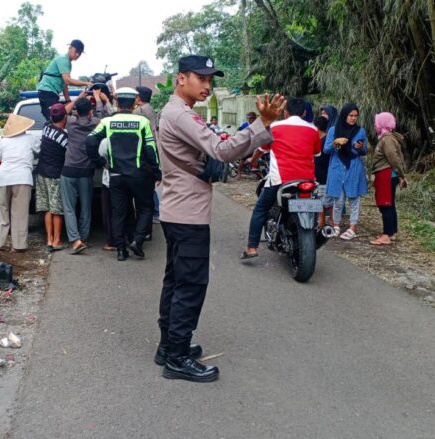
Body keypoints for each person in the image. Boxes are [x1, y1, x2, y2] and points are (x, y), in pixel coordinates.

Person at [156, 54, 284, 382]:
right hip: (188, 214)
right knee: (191, 284)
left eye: (210, 79)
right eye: (201, 78)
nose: (208, 85)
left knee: (176, 280)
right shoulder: (180, 114)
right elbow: (222, 150)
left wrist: (257, 133)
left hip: (178, 210)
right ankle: (177, 357)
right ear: (181, 78)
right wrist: (262, 123)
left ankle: (168, 346)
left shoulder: (177, 112)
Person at [242, 98, 323, 259]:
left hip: (280, 180)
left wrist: (253, 160)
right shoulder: (313, 130)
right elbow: (316, 153)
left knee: (260, 209)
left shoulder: (275, 127)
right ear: (304, 113)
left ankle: (251, 247)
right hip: (306, 180)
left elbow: (261, 149)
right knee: (315, 204)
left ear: (285, 112)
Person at [86, 87, 161, 262]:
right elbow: (151, 149)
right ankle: (137, 241)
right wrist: (157, 172)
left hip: (116, 175)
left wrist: (98, 160)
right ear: (135, 101)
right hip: (139, 175)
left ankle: (120, 250)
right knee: (145, 208)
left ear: (117, 102)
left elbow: (90, 140)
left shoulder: (108, 122)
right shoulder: (142, 122)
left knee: (118, 212)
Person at [60, 90, 109, 255]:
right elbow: (101, 112)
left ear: (76, 111)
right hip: (86, 171)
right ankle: (84, 237)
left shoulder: (71, 123)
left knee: (69, 207)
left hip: (68, 170)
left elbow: (63, 111)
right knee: (86, 207)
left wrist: (79, 97)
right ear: (90, 111)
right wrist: (97, 97)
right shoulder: (95, 122)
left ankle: (75, 240)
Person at [0, 114, 40, 252]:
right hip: (22, 178)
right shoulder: (31, 139)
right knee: (19, 212)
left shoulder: (3, 141)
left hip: (4, 178)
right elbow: (39, 151)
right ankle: (18, 245)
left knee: (2, 210)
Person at [324, 103, 368, 240]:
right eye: (351, 115)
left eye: (356, 116)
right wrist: (335, 143)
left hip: (353, 167)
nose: (353, 118)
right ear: (344, 116)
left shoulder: (360, 131)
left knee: (354, 198)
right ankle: (336, 225)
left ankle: (352, 227)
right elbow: (326, 150)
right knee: (338, 199)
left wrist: (360, 147)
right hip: (337, 167)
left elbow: (364, 150)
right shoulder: (333, 130)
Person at [35, 103, 70, 251]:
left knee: (47, 208)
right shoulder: (64, 138)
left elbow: (60, 115)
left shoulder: (46, 128)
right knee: (57, 209)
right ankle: (57, 240)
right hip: (55, 175)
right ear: (65, 118)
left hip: (41, 173)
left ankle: (49, 239)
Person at [370, 112, 407, 245]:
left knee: (386, 205)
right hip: (389, 175)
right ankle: (392, 233)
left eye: (377, 122)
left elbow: (394, 158)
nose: (375, 125)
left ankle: (386, 235)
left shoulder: (387, 139)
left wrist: (401, 174)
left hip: (386, 175)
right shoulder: (390, 138)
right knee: (390, 205)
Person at [36, 40, 93, 123]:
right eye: (76, 51)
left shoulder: (68, 63)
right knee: (56, 118)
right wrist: (85, 83)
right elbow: (68, 80)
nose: (77, 55)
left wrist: (67, 100)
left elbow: (65, 83)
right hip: (48, 91)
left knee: (54, 119)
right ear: (70, 48)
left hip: (50, 92)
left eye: (79, 53)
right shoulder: (63, 59)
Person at [134, 86, 162, 226]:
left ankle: (153, 212)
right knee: (150, 185)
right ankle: (155, 212)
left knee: (146, 186)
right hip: (153, 148)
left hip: (144, 150)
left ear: (138, 97)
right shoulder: (151, 109)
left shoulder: (139, 111)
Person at [313, 116, 332, 227]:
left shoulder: (325, 141)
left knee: (324, 200)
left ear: (317, 127)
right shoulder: (320, 140)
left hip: (324, 175)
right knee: (320, 199)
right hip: (319, 174)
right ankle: (322, 220)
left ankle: (324, 221)